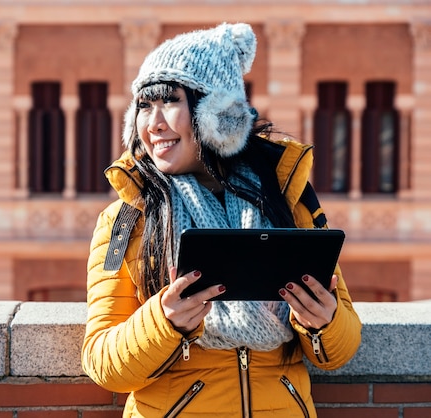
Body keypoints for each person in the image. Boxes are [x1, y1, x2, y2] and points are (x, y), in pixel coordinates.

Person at [81, 22, 362, 418]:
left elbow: (341, 348)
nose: (153, 123)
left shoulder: (287, 200)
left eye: (169, 102)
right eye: (144, 106)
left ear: (217, 114)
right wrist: (164, 322)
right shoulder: (127, 218)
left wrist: (324, 323)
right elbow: (102, 362)